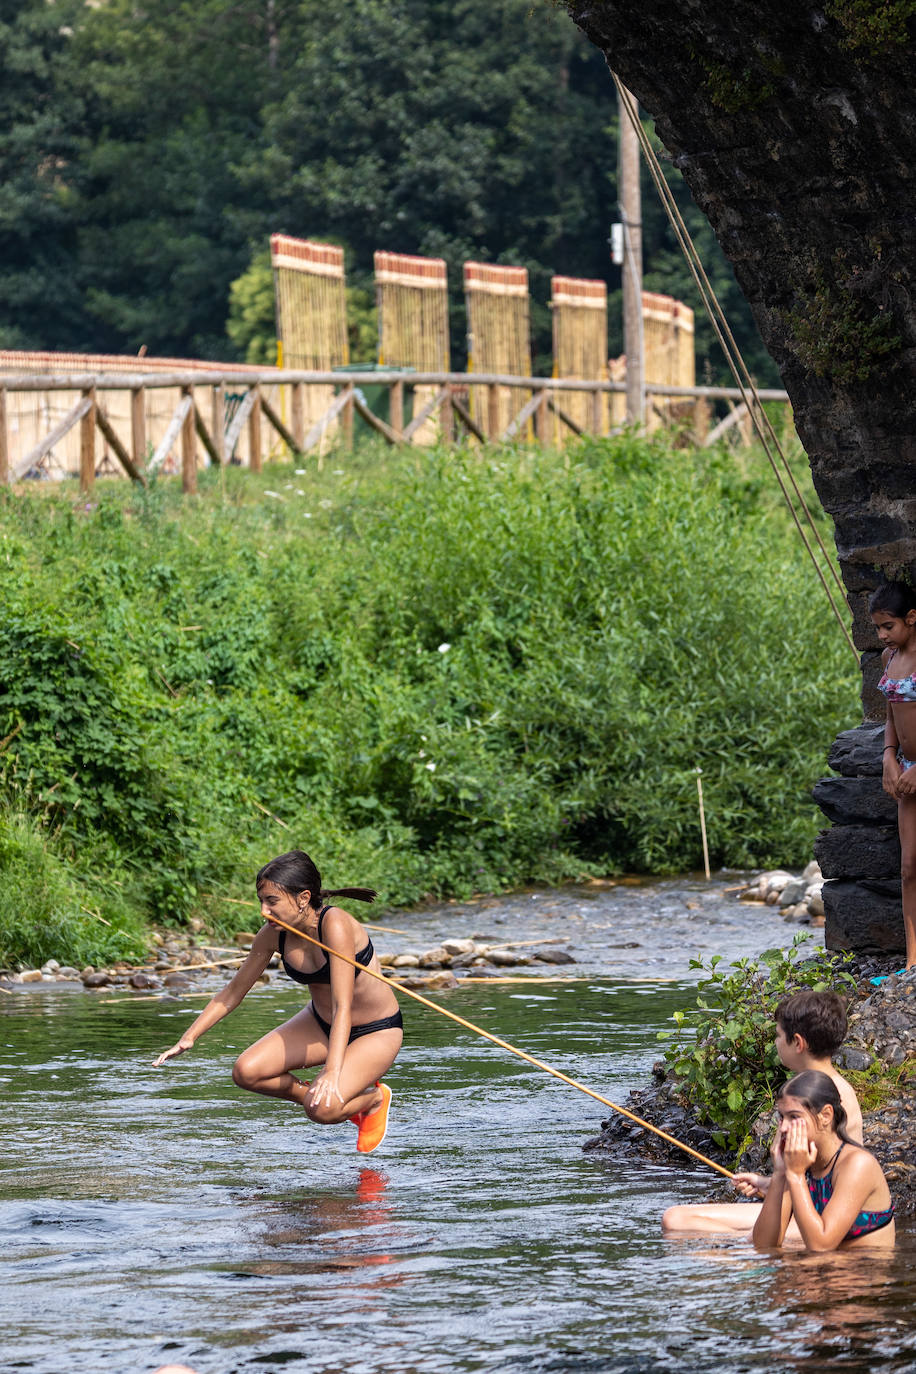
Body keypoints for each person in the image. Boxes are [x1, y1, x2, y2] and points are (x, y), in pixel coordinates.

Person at [153, 850, 402, 1153]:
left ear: (303, 898)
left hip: (374, 1030)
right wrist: (189, 1037)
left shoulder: (334, 924)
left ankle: (373, 1100)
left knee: (321, 1111)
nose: (263, 911)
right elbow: (234, 991)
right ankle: (321, 1095)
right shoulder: (273, 934)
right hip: (321, 1023)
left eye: (272, 901)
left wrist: (333, 1071)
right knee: (246, 1072)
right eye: (261, 901)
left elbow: (343, 1006)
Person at [662, 989, 861, 1235]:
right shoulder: (818, 1088)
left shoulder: (825, 1096)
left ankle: (750, 1248)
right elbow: (808, 1175)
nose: (775, 1042)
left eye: (778, 1035)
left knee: (683, 1224)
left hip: (823, 1218)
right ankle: (751, 1245)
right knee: (676, 1218)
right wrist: (767, 1184)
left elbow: (826, 1183)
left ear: (797, 1042)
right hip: (802, 1204)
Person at [751, 1071, 894, 1251]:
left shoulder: (857, 1164)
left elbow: (820, 1246)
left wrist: (796, 1175)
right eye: (781, 1117)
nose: (784, 1127)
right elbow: (764, 1245)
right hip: (822, 1270)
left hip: (862, 1272)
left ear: (825, 1115)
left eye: (794, 1117)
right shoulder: (800, 1161)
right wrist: (780, 1173)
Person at [870, 579, 916, 973]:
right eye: (878, 629)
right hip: (907, 778)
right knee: (908, 867)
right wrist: (889, 756)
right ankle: (913, 960)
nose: (883, 635)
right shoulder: (889, 659)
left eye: (889, 626)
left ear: (912, 618)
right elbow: (890, 714)